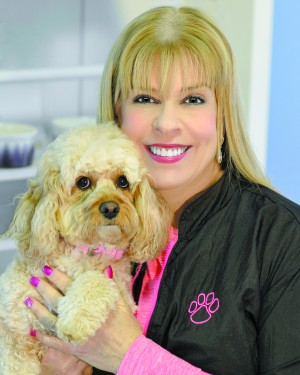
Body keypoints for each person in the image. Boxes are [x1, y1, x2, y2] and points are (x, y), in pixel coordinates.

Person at [25, 6, 300, 375]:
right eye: (145, 99)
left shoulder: (283, 238)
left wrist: (130, 357)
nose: (167, 123)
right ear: (116, 112)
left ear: (222, 117)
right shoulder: (73, 230)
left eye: (192, 99)